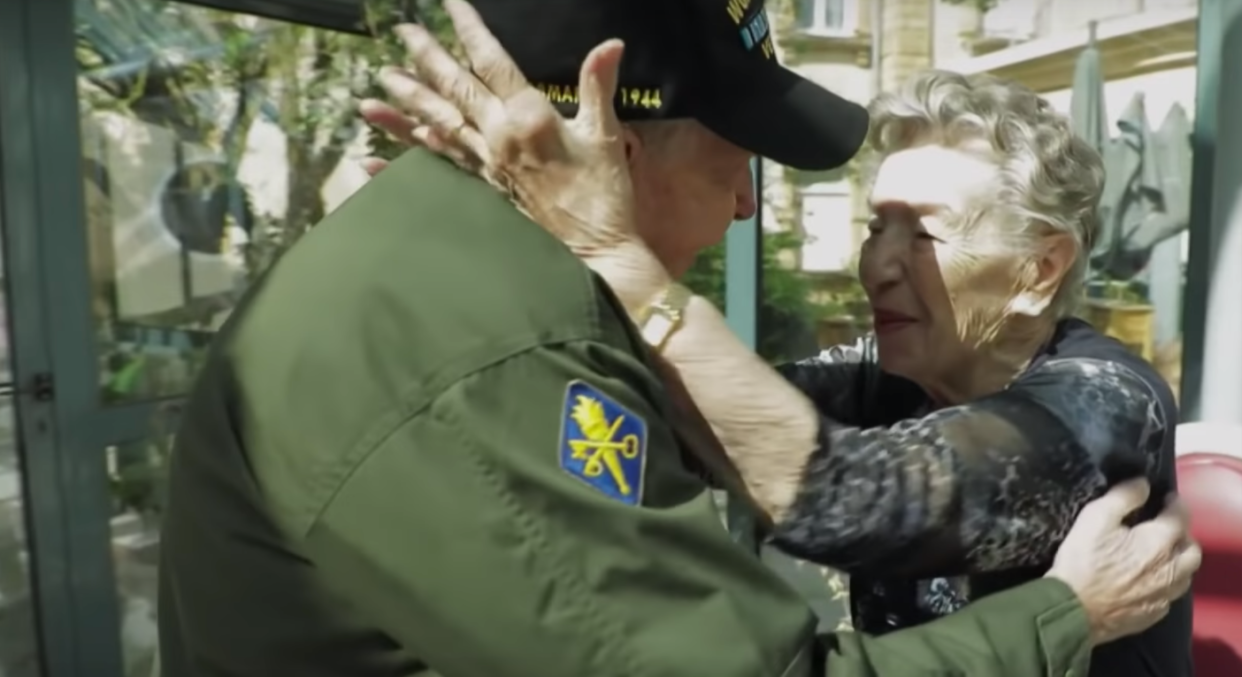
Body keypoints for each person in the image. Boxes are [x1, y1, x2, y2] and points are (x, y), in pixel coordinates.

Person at [156, 1, 1200, 676]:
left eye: (921, 232)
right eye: (877, 224)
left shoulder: (1102, 398)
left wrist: (618, 254)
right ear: (609, 145)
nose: (874, 262)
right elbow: (709, 416)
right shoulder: (876, 385)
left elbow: (855, 492)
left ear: (1043, 266)